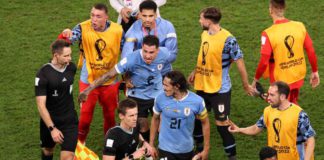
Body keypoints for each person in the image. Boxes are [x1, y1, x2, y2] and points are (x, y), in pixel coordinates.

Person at [187, 7, 254, 160]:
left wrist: (245, 85)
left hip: (219, 90)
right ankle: (199, 150)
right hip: (203, 86)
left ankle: (232, 156)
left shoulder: (229, 40)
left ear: (209, 21)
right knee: (197, 119)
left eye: (201, 18)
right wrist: (195, 71)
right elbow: (203, 57)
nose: (199, 21)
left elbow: (240, 63)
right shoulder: (204, 34)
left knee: (222, 124)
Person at [79, 35, 170, 142]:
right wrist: (87, 90)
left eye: (151, 52)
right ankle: (148, 149)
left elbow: (168, 68)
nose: (147, 56)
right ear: (141, 48)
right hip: (138, 95)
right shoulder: (131, 59)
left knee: (163, 124)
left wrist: (167, 84)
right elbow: (109, 75)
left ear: (158, 50)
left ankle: (161, 144)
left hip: (158, 94)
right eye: (145, 51)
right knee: (142, 124)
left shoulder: (164, 53)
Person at [59, 3, 123, 143]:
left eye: (98, 16)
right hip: (88, 79)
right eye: (92, 15)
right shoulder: (82, 27)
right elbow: (68, 40)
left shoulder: (118, 30)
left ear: (106, 17)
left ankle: (109, 145)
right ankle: (80, 146)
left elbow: (127, 51)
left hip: (110, 81)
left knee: (110, 116)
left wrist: (127, 75)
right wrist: (66, 34)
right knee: (85, 117)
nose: (94, 19)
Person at [251, 0, 320, 104]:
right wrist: (315, 71)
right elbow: (310, 50)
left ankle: (262, 95)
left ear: (270, 10)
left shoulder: (268, 33)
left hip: (281, 80)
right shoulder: (299, 26)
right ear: (284, 9)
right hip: (297, 75)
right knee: (291, 105)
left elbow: (264, 60)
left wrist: (255, 80)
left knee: (281, 109)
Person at [229, 81, 316, 160]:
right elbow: (256, 128)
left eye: (272, 95)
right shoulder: (268, 111)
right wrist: (239, 129)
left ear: (282, 96)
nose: (268, 98)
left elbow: (310, 140)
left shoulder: (299, 115)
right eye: (268, 94)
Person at [150, 71, 210, 160]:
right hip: (165, 148)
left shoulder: (197, 101)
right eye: (163, 84)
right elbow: (155, 119)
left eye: (166, 85)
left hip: (186, 149)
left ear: (177, 86)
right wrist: (151, 144)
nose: (163, 88)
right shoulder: (160, 98)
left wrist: (206, 149)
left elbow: (205, 123)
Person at [35, 40, 78, 160]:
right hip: (50, 121)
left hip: (69, 120)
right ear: (56, 55)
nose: (69, 58)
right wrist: (52, 129)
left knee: (68, 156)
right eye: (66, 56)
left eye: (70, 55)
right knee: (48, 151)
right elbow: (40, 105)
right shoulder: (43, 74)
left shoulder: (71, 68)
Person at [122, 0, 177, 76]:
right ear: (140, 15)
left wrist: (151, 61)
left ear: (155, 14)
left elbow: (172, 55)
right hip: (142, 74)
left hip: (163, 73)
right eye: (144, 16)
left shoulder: (168, 27)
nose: (147, 19)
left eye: (151, 16)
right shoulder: (134, 28)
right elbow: (126, 54)